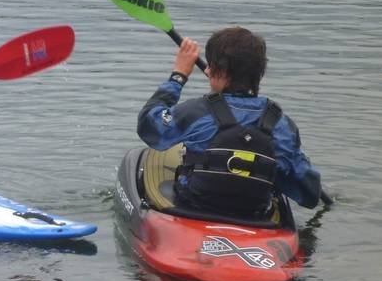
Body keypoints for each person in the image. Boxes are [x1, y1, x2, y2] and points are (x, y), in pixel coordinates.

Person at [137, 26, 321, 218]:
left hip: (195, 209)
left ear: (222, 71)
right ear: (260, 72)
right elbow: (309, 195)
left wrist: (178, 76)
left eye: (210, 65)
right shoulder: (282, 125)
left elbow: (149, 126)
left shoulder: (195, 112)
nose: (206, 70)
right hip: (255, 216)